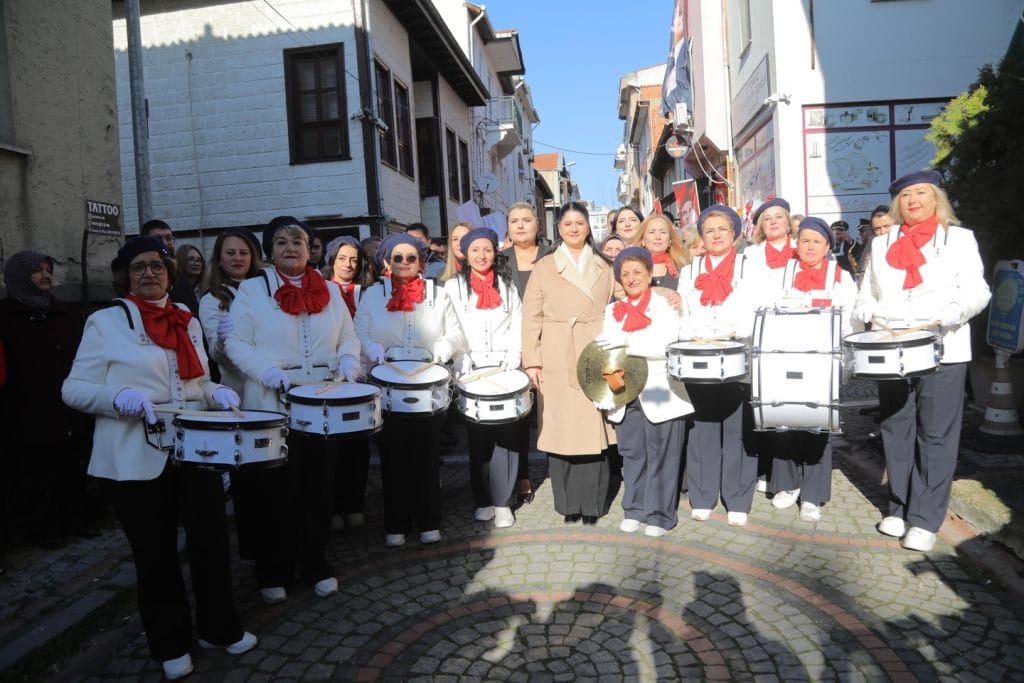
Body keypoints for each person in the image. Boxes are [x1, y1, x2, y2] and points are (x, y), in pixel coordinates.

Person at [62, 237, 256, 680]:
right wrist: (119, 398)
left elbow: (198, 382)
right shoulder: (105, 322)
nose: (148, 274)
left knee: (210, 542)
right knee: (155, 554)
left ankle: (219, 628)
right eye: (138, 268)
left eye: (156, 266)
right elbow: (72, 389)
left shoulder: (186, 318)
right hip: (133, 457)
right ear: (125, 276)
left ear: (169, 273)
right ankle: (169, 642)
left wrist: (216, 392)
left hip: (195, 451)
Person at [225, 215, 361, 602]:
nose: (291, 248)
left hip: (322, 400)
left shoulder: (329, 291)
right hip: (271, 401)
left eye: (298, 241)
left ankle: (315, 562)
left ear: (309, 247)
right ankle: (274, 571)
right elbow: (235, 343)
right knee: (274, 491)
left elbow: (348, 337)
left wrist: (350, 359)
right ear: (269, 250)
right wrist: (265, 372)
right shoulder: (252, 290)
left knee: (318, 487)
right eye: (282, 241)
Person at [854, 170, 990, 552]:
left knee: (936, 435)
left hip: (943, 347)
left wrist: (953, 311)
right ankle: (899, 506)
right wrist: (869, 312)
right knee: (897, 430)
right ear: (898, 204)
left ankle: (926, 518)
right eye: (906, 196)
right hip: (891, 348)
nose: (913, 201)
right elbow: (867, 293)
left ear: (936, 199)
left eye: (921, 193)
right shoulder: (882, 244)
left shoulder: (959, 239)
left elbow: (977, 289)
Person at [354, 234, 464, 547]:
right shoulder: (373, 295)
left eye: (411, 258)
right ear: (386, 261)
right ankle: (397, 522)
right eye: (398, 258)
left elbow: (453, 331)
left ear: (421, 262)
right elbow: (359, 330)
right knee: (393, 457)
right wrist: (373, 348)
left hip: (428, 383)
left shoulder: (437, 293)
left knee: (427, 456)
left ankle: (429, 519)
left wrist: (441, 350)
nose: (404, 263)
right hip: (388, 384)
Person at [521, 201, 616, 525]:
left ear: (588, 227)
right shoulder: (544, 266)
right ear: (558, 229)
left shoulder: (605, 265)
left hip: (595, 350)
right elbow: (530, 317)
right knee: (560, 432)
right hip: (557, 353)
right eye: (567, 224)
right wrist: (532, 361)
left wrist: (663, 296)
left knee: (595, 432)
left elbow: (629, 296)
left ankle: (592, 505)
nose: (574, 229)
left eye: (579, 223)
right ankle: (567, 505)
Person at [764, 217, 859, 522]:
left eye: (816, 241)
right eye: (804, 240)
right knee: (784, 419)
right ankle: (786, 484)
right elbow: (767, 309)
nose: (809, 246)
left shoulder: (840, 276)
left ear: (828, 246)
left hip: (822, 359)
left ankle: (813, 495)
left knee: (818, 423)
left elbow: (851, 320)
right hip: (785, 357)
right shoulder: (781, 274)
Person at [593, 247, 693, 537]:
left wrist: (625, 345)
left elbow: (666, 344)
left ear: (650, 274)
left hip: (662, 390)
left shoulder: (666, 306)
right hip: (625, 392)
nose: (632, 278)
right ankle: (634, 508)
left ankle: (661, 514)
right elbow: (606, 348)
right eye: (625, 274)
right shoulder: (613, 310)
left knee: (662, 451)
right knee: (632, 452)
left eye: (638, 272)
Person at [1, 250, 93, 548]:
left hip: (68, 403)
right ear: (19, 277)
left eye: (48, 269)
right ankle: (43, 531)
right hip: (27, 406)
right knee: (37, 474)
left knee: (71, 468)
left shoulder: (66, 313)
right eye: (37, 271)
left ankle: (76, 521)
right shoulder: (5, 316)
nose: (45, 275)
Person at [676, 205, 761, 526]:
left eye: (722, 230)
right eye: (709, 230)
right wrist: (696, 335)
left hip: (737, 356)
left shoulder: (749, 266)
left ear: (735, 233)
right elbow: (682, 313)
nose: (715, 236)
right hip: (700, 358)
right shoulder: (689, 270)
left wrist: (728, 333)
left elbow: (757, 308)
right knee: (703, 430)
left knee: (738, 429)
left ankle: (738, 498)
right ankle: (702, 496)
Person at [445, 227, 524, 529]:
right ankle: (483, 499)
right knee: (477, 437)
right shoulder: (453, 287)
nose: (481, 256)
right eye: (475, 250)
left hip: (504, 367)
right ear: (465, 253)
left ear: (495, 252)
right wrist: (459, 357)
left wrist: (514, 353)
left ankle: (504, 501)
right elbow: (449, 326)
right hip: (472, 369)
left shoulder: (507, 285)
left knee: (508, 435)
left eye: (487, 250)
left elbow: (518, 320)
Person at [197, 228, 263, 559]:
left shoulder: (264, 290)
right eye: (230, 253)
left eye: (243, 252)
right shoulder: (213, 299)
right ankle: (252, 544)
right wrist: (224, 339)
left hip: (270, 391)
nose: (237, 258)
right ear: (220, 259)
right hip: (240, 396)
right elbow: (215, 352)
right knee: (247, 477)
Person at [741, 198, 798, 492]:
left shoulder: (804, 249)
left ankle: (792, 471)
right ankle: (767, 467)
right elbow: (747, 295)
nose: (774, 222)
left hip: (798, 338)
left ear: (789, 222)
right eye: (767, 218)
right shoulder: (751, 255)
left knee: (794, 406)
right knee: (763, 405)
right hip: (763, 336)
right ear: (760, 226)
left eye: (779, 217)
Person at [323, 235, 375, 531]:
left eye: (354, 259)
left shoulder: (366, 292)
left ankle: (355, 501)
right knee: (331, 446)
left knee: (357, 445)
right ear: (332, 260)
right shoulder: (321, 290)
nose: (348, 264)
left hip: (360, 377)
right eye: (342, 258)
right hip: (330, 376)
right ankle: (333, 506)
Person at [501, 202, 549, 504]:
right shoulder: (499, 260)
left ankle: (560, 469)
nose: (520, 226)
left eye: (526, 220)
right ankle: (521, 475)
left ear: (538, 224)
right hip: (511, 347)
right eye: (514, 220)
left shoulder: (552, 255)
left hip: (551, 343)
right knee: (517, 419)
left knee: (552, 411)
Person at [638, 213, 688, 289]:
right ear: (642, 240)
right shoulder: (632, 267)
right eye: (651, 232)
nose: (658, 237)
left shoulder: (683, 267)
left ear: (670, 240)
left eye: (663, 232)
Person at [171, 244, 204, 316]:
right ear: (181, 261)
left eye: (198, 260)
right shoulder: (176, 289)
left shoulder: (206, 287)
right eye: (191, 259)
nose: (196, 263)